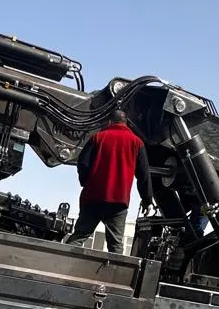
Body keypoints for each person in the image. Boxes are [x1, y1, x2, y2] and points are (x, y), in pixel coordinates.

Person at [65, 108, 154, 253]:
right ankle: (114, 269)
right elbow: (143, 174)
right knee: (115, 246)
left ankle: (61, 262)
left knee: (79, 237)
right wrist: (147, 200)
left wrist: (86, 182)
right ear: (125, 123)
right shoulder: (137, 143)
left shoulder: (97, 137)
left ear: (109, 122)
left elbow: (83, 163)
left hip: (92, 198)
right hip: (118, 203)